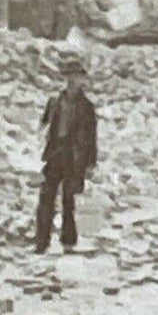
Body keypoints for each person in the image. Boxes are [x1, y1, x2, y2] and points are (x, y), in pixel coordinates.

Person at [34, 54, 98, 254]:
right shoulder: (55, 102)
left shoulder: (87, 107)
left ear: (82, 80)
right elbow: (44, 126)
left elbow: (91, 137)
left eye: (76, 77)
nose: (72, 80)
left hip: (75, 158)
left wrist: (90, 164)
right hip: (55, 154)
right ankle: (41, 242)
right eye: (69, 76)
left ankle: (68, 240)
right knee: (46, 199)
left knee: (68, 201)